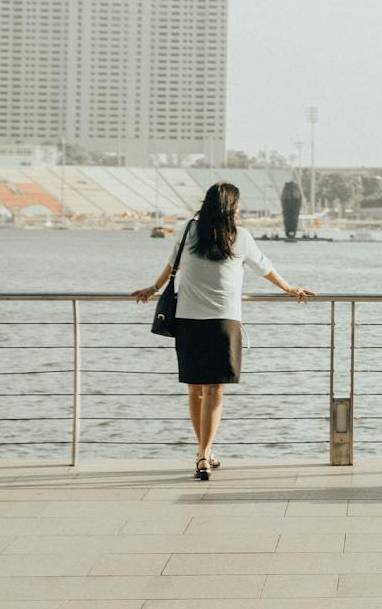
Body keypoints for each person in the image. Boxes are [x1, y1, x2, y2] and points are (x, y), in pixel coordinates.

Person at [132, 182, 313, 479]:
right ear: (232, 207)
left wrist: (154, 288)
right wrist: (290, 288)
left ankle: (203, 452)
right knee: (215, 389)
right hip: (224, 321)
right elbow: (264, 267)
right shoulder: (239, 237)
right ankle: (205, 452)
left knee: (196, 389)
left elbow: (171, 264)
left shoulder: (190, 232)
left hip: (188, 319)